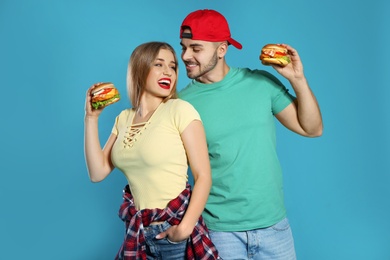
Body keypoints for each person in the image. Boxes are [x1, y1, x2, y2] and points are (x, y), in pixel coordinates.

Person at [175, 9, 323, 260]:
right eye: (184, 47)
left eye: (196, 48)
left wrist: (298, 79)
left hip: (274, 227)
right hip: (218, 232)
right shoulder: (181, 104)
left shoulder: (260, 83)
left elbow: (311, 128)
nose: (186, 56)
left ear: (221, 49)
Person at [84, 41, 219, 259]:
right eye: (159, 64)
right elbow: (97, 172)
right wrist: (91, 118)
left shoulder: (180, 110)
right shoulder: (124, 118)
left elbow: (203, 176)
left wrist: (183, 231)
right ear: (140, 68)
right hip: (137, 233)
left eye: (173, 66)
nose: (168, 72)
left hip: (172, 232)